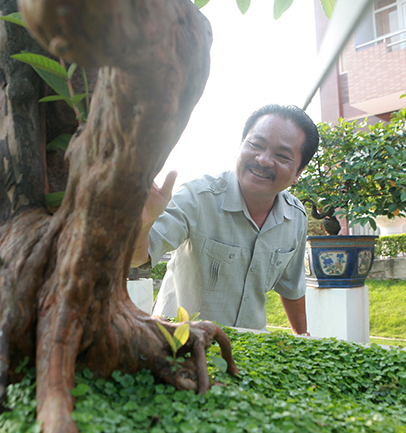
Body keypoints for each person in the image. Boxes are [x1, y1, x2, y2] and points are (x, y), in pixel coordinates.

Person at [131, 104, 319, 335]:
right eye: (256, 145)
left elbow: (292, 288)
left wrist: (302, 339)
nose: (263, 160)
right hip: (178, 341)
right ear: (240, 147)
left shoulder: (296, 217)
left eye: (282, 155)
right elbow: (137, 258)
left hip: (250, 348)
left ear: (298, 172)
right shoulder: (197, 197)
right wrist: (141, 226)